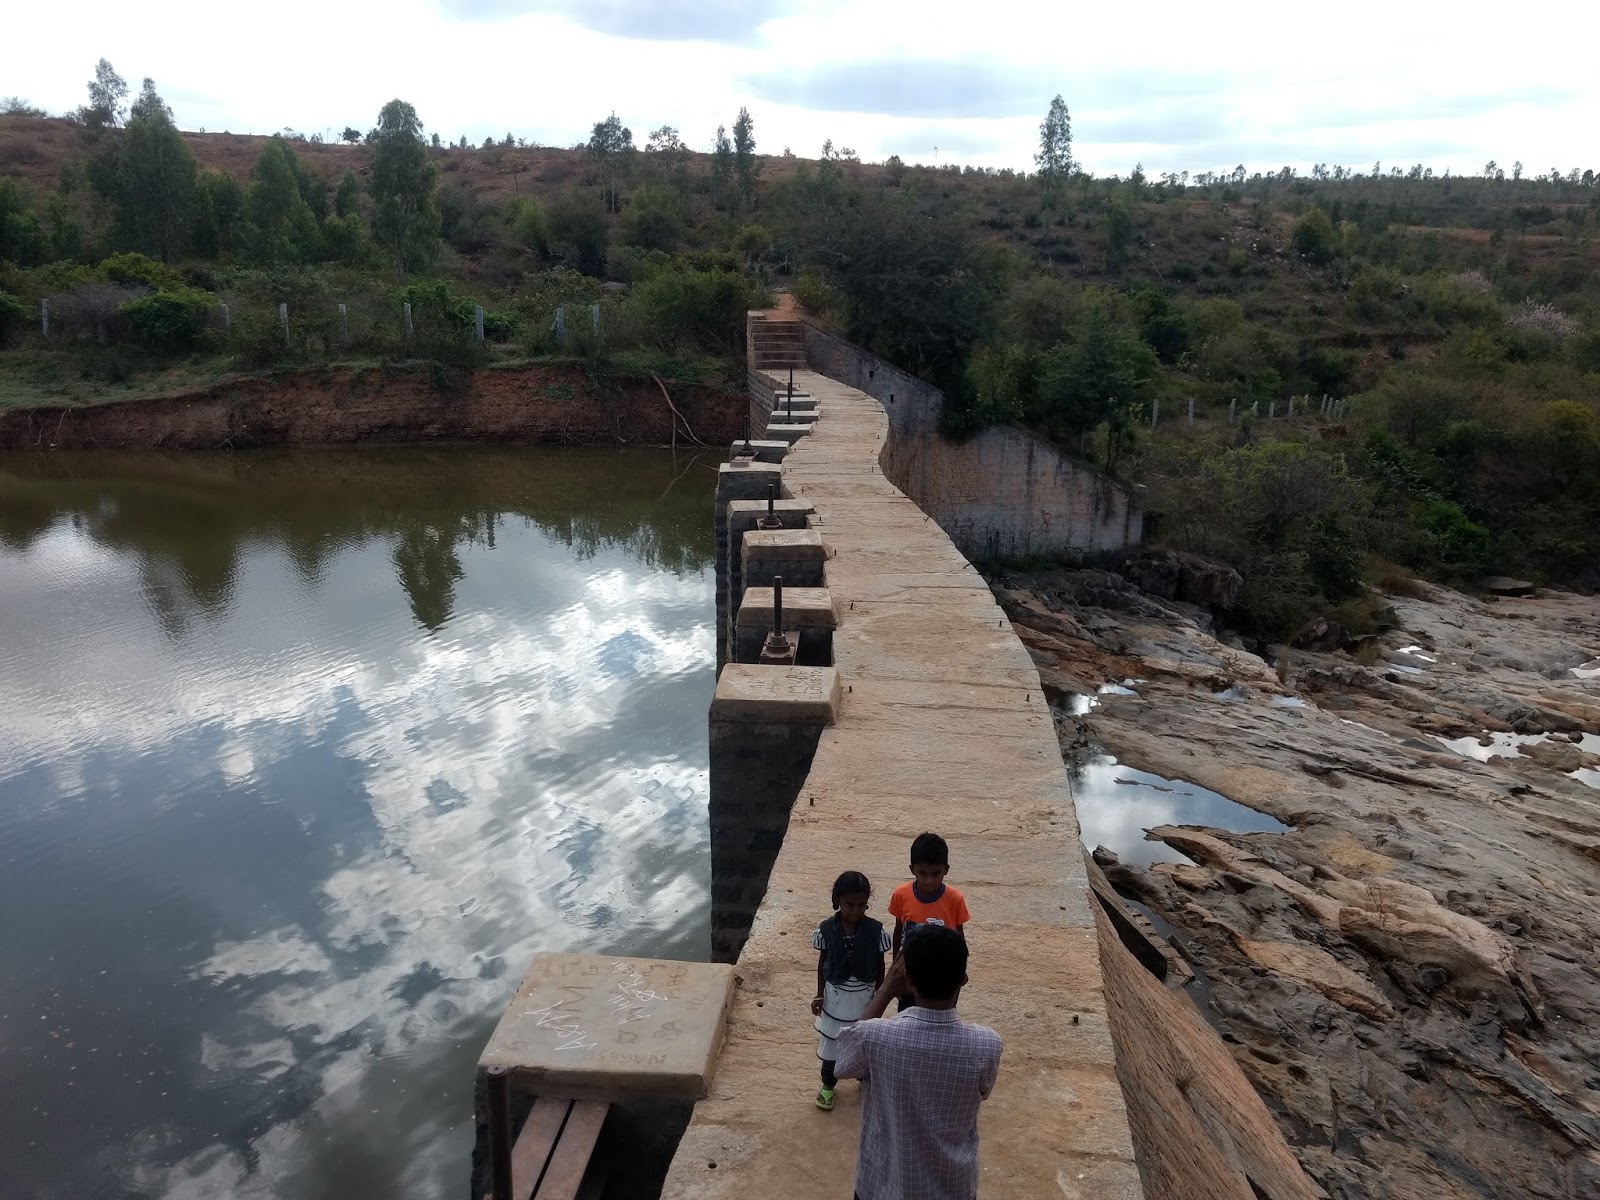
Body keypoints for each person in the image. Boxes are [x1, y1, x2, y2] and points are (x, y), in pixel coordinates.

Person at [835, 924, 1002, 1200]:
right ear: (963, 979)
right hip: (953, 1188)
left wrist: (887, 988)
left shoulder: (876, 1037)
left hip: (884, 1186)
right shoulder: (987, 1044)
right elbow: (983, 1091)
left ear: (908, 978)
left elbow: (843, 1060)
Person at [810, 870, 889, 1111]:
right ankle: (827, 1084)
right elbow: (823, 963)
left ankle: (863, 1078)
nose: (855, 910)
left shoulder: (876, 932)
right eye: (849, 905)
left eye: (861, 905)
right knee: (833, 1041)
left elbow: (880, 964)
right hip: (835, 997)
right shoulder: (826, 930)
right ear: (838, 902)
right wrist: (819, 993)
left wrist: (880, 994)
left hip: (864, 998)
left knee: (862, 1040)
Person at [888, 831, 970, 1010]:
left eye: (936, 873)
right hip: (911, 976)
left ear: (946, 870)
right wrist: (896, 968)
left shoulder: (955, 899)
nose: (929, 880)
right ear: (912, 869)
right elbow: (898, 932)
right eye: (923, 873)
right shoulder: (901, 895)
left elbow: (959, 939)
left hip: (943, 978)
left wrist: (958, 977)